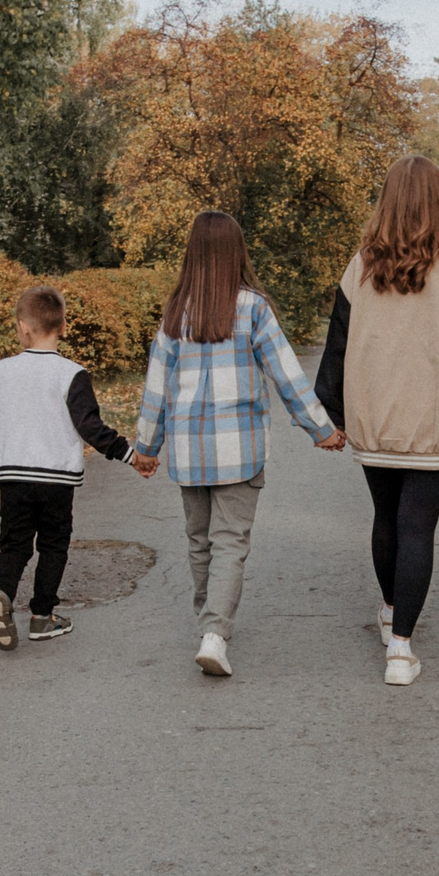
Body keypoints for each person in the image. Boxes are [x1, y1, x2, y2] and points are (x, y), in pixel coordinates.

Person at [314, 154, 439, 685]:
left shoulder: (361, 266)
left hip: (374, 414)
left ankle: (388, 609)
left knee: (385, 518)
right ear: (438, 201)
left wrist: (326, 412)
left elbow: (337, 343)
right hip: (435, 419)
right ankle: (401, 650)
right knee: (418, 527)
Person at [132, 212, 345, 678]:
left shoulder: (176, 313)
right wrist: (320, 428)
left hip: (189, 452)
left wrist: (146, 447)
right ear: (237, 253)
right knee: (230, 542)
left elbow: (156, 387)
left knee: (200, 541)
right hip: (240, 449)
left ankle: (208, 621)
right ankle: (215, 633)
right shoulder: (253, 308)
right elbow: (286, 374)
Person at [0, 283, 155, 651]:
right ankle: (42, 616)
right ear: (64, 326)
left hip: (15, 478)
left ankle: (1, 590)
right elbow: (91, 427)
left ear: (22, 327)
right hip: (57, 479)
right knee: (54, 545)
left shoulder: (1, 372)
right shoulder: (72, 374)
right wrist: (132, 456)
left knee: (15, 545)